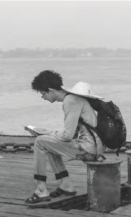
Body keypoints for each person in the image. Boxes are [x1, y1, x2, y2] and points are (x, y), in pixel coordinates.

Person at [25, 70, 105, 206]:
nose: (43, 97)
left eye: (42, 94)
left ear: (50, 90)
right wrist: (48, 134)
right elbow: (71, 134)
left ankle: (41, 190)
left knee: (40, 142)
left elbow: (67, 136)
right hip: (95, 146)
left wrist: (44, 132)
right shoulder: (74, 99)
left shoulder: (70, 101)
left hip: (89, 149)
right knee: (48, 144)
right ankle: (66, 185)